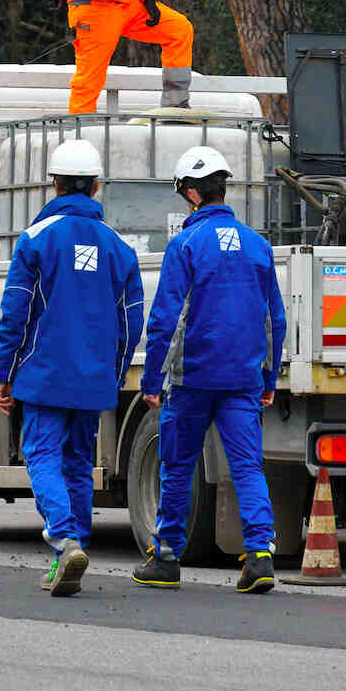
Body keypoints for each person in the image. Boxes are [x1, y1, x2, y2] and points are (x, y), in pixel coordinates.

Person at [132, 146, 287, 594]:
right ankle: (259, 556)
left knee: (177, 467)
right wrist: (269, 378)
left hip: (192, 379)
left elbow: (164, 318)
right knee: (247, 467)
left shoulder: (185, 245)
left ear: (194, 194)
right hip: (242, 379)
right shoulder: (258, 246)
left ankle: (165, 558)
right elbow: (275, 319)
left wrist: (151, 379)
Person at [0, 139, 144, 597]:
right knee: (78, 464)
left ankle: (64, 537)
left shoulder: (36, 240)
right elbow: (131, 319)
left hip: (43, 374)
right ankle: (67, 556)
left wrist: (4, 371)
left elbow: (15, 310)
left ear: (53, 185)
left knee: (41, 455)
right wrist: (114, 373)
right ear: (97, 187)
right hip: (95, 378)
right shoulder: (120, 247)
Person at [66, 0, 193, 114]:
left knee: (179, 29)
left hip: (128, 2)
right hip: (96, 6)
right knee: (91, 74)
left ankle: (175, 107)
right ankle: (78, 124)